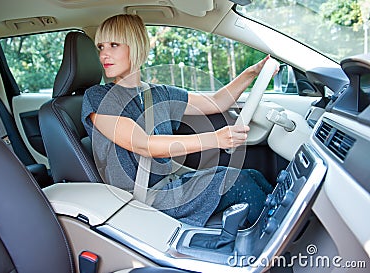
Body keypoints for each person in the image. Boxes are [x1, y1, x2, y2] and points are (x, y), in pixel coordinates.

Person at [82, 14, 275, 227]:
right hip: (141, 199)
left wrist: (251, 73)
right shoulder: (98, 97)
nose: (104, 55)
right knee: (240, 183)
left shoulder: (158, 93)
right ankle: (279, 247)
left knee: (251, 175)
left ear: (135, 46)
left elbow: (216, 102)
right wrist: (215, 139)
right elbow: (143, 144)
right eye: (101, 47)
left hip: (170, 184)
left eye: (114, 45)